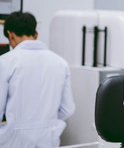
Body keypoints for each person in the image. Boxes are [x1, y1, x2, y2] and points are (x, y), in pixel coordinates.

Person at [0, 11, 75, 147]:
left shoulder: (5, 62)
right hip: (48, 139)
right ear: (35, 34)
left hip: (14, 141)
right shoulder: (60, 63)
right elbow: (68, 109)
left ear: (10, 35)